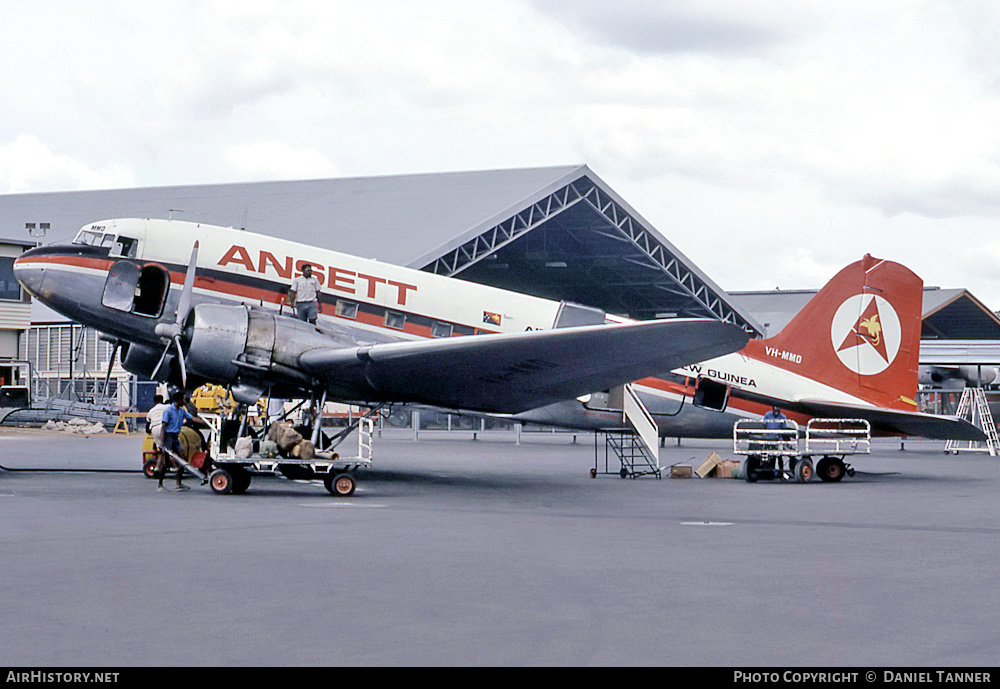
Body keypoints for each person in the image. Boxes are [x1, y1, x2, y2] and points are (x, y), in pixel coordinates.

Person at [155, 391, 208, 492]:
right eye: (183, 399)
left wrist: (207, 423)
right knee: (165, 463)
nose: (184, 401)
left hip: (175, 437)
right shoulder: (169, 411)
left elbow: (192, 418)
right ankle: (160, 484)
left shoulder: (181, 411)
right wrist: (161, 442)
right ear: (178, 400)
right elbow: (163, 427)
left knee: (183, 459)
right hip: (168, 437)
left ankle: (178, 484)